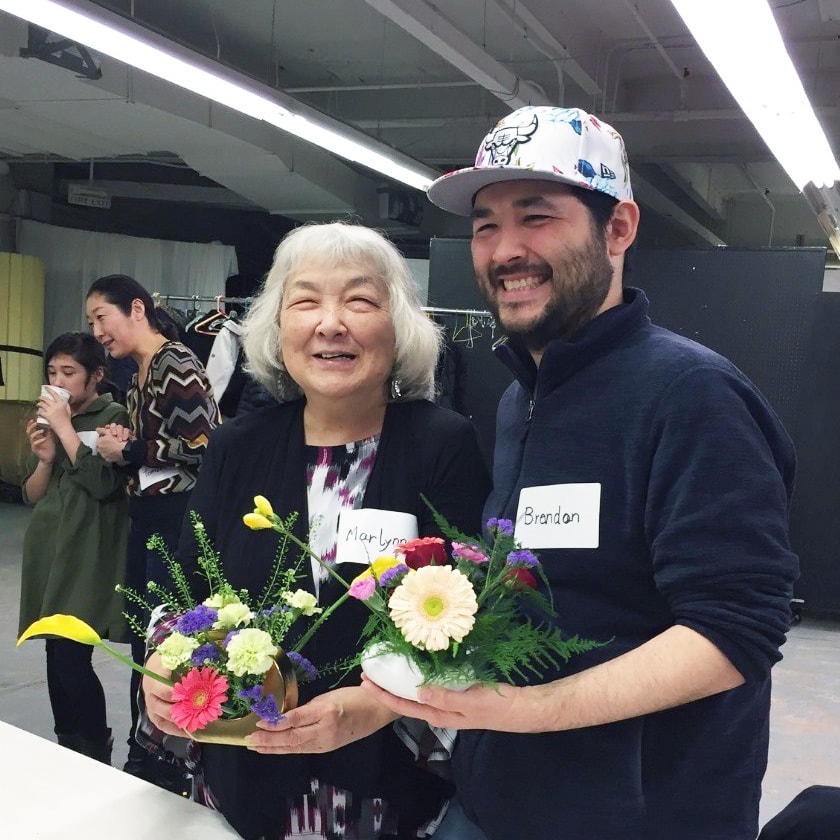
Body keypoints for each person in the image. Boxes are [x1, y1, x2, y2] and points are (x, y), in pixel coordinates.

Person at [361, 106, 800, 840]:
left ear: (619, 229)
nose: (506, 250)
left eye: (537, 218)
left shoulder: (691, 395)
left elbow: (735, 633)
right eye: (486, 225)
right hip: (497, 801)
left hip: (641, 817)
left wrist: (528, 712)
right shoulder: (517, 401)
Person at [141, 221, 491, 840]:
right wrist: (162, 671)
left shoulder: (443, 444)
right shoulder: (236, 446)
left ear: (398, 325)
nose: (331, 323)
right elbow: (184, 589)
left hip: (387, 787)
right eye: (305, 301)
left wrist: (378, 703)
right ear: (279, 327)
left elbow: (471, 612)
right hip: (244, 778)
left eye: (360, 300)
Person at [85, 275, 219, 788]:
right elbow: (150, 457)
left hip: (179, 520)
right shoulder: (141, 375)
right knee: (147, 641)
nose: (97, 330)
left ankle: (163, 756)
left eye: (102, 316)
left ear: (136, 308)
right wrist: (122, 449)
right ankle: (148, 748)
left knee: (169, 641)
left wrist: (133, 451)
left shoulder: (175, 363)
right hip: (151, 519)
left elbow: (206, 446)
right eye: (92, 321)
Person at [18, 332, 129, 764]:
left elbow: (104, 484)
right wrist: (45, 458)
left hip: (86, 549)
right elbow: (31, 494)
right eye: (51, 372)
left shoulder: (112, 415)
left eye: (69, 372)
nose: (58, 380)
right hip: (49, 545)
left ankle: (94, 749)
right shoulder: (48, 420)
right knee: (53, 650)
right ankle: (68, 747)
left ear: (96, 375)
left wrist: (65, 428)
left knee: (71, 652)